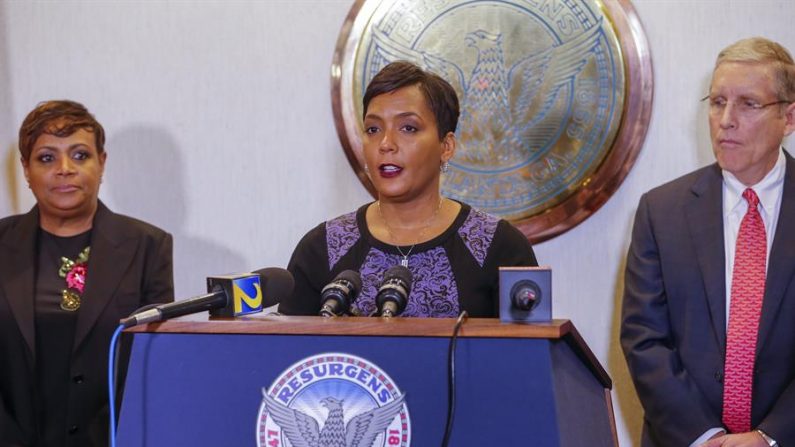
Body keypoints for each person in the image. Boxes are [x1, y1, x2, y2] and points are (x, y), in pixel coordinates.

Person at [621, 37, 795, 447]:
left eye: (748, 104)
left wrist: (769, 437)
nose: (725, 120)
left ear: (789, 118)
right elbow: (643, 338)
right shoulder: (661, 211)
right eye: (717, 102)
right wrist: (706, 437)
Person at [283, 61, 537, 317]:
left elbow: (525, 353)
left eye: (408, 128)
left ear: (446, 146)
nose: (386, 144)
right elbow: (289, 354)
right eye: (373, 129)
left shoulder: (500, 247)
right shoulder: (322, 247)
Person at [0, 100, 174, 446]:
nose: (64, 169)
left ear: (102, 163)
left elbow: (151, 361)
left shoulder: (147, 245)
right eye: (47, 158)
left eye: (80, 155)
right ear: (25, 169)